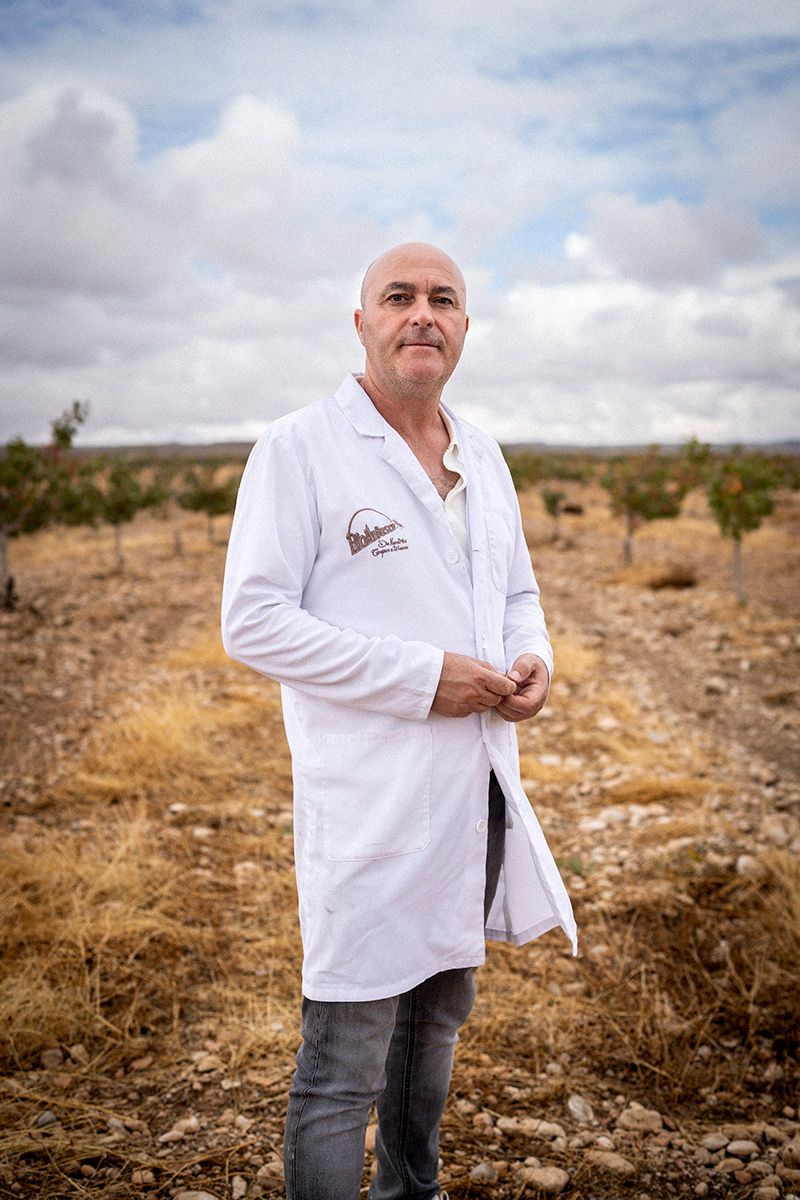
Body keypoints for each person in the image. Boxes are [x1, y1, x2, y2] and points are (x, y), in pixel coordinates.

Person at [221, 242, 577, 1200]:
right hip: (370, 802)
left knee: (435, 1029)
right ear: (362, 323)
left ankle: (410, 1192)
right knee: (343, 1059)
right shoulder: (298, 450)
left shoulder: (483, 453)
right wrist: (425, 679)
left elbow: (518, 593)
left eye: (443, 299)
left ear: (463, 326)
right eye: (399, 297)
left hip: (475, 792)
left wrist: (532, 660)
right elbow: (252, 622)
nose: (423, 313)